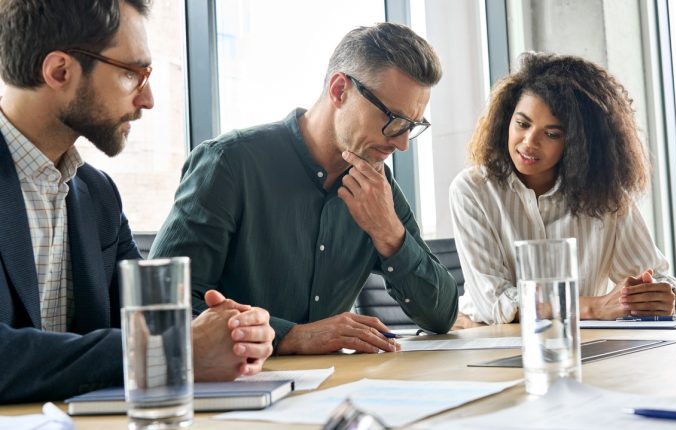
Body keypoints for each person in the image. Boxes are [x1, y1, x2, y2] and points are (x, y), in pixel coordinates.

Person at [0, 0, 274, 403]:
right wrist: (178, 350)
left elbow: (154, 324)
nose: (148, 100)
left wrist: (234, 334)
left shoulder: (98, 196)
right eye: (133, 74)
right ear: (60, 71)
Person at [150, 23, 458, 355]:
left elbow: (441, 316)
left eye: (412, 127)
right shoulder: (229, 164)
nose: (402, 145)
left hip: (335, 392)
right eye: (394, 120)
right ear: (340, 90)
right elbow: (160, 304)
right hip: (237, 391)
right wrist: (291, 335)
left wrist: (389, 232)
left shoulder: (377, 187)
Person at [449, 52, 676, 327]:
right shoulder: (472, 190)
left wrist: (658, 296)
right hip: (487, 338)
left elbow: (659, 277)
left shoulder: (605, 196)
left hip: (581, 344)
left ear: (577, 143)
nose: (529, 142)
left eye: (551, 134)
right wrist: (593, 307)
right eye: (522, 124)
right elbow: (495, 303)